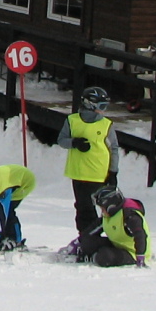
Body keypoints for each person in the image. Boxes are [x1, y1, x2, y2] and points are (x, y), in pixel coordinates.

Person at [57, 86, 119, 235]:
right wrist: (75, 143)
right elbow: (61, 140)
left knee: (108, 208)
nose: (103, 111)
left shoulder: (106, 125)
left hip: (100, 174)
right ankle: (86, 237)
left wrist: (113, 172)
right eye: (101, 106)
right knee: (83, 208)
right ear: (89, 104)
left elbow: (114, 149)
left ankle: (113, 235)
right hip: (79, 174)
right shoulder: (72, 121)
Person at [75, 184, 150, 268]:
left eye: (102, 208)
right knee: (87, 242)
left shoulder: (130, 216)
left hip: (132, 252)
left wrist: (140, 256)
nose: (102, 211)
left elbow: (140, 235)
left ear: (111, 206)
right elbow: (91, 231)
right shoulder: (109, 215)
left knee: (105, 256)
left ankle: (92, 257)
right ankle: (87, 254)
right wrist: (77, 243)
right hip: (117, 244)